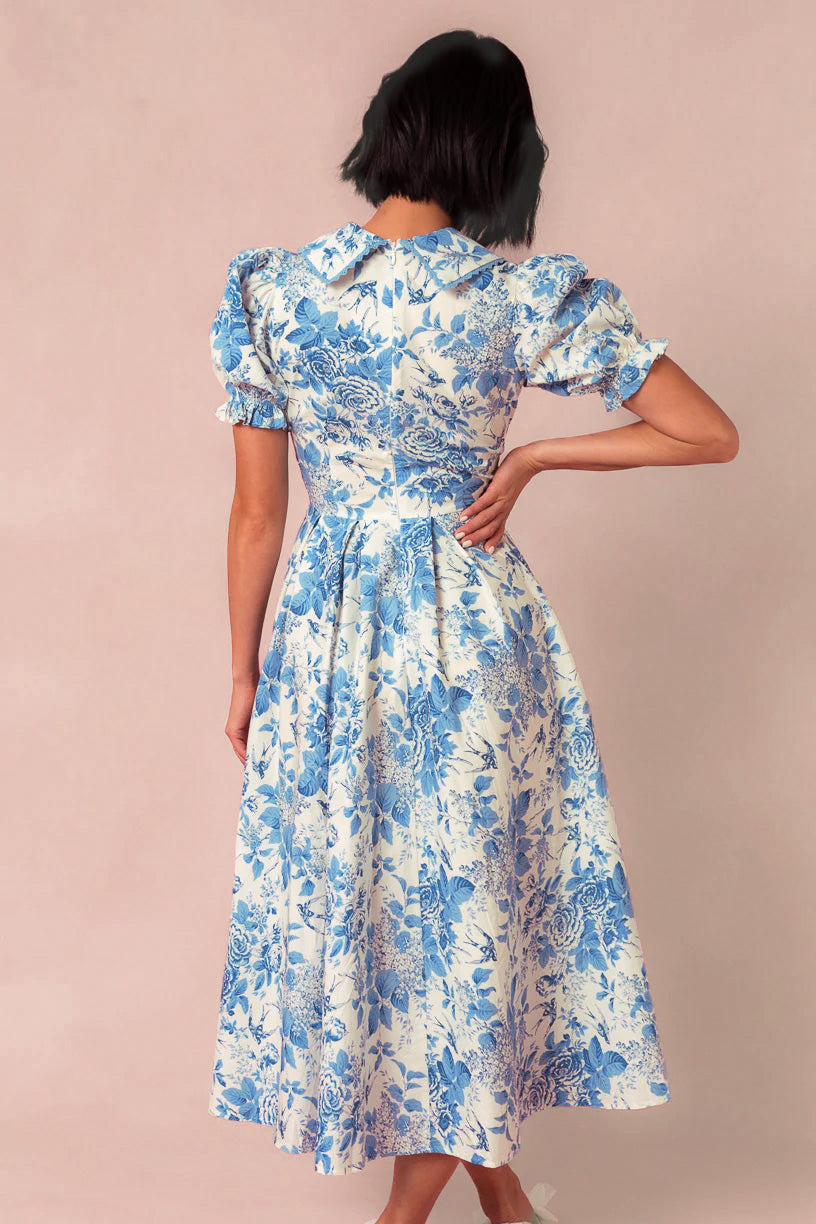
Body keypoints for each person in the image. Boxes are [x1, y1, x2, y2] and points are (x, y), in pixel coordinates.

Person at [205, 28, 739, 1224]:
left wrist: (243, 676)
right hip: (471, 637)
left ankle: (427, 1213)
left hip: (326, 643)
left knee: (396, 913)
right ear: (503, 154)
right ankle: (504, 1205)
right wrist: (538, 451)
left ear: (388, 128)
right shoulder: (517, 297)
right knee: (461, 910)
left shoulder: (273, 292)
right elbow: (706, 430)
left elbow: (254, 518)